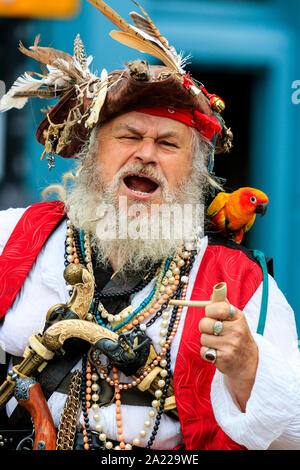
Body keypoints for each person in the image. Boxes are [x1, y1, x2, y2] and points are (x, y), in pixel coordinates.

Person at [0, 0, 300, 451]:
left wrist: (249, 367)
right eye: (128, 136)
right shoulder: (14, 237)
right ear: (91, 156)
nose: (146, 154)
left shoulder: (243, 285)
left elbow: (291, 436)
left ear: (194, 173)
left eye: (167, 143)